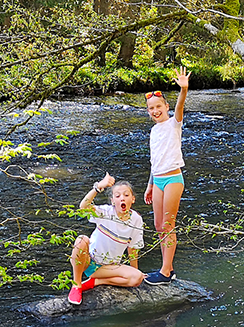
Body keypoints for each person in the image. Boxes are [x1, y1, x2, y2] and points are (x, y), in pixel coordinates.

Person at [68, 173, 146, 305]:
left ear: (132, 199)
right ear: (112, 201)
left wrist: (135, 270)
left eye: (126, 195)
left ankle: (96, 282)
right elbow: (83, 207)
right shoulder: (105, 212)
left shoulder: (136, 220)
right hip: (89, 261)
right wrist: (98, 187)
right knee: (81, 240)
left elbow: (133, 248)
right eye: (117, 196)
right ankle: (77, 285)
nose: (122, 198)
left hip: (109, 267)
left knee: (137, 278)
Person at [144, 67, 189, 283]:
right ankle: (168, 268)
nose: (155, 111)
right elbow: (155, 161)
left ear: (166, 107)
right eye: (151, 108)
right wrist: (150, 185)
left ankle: (164, 272)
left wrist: (184, 89)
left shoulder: (174, 124)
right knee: (158, 225)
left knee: (168, 225)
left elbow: (180, 106)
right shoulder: (153, 131)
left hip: (173, 179)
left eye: (158, 106)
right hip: (159, 180)